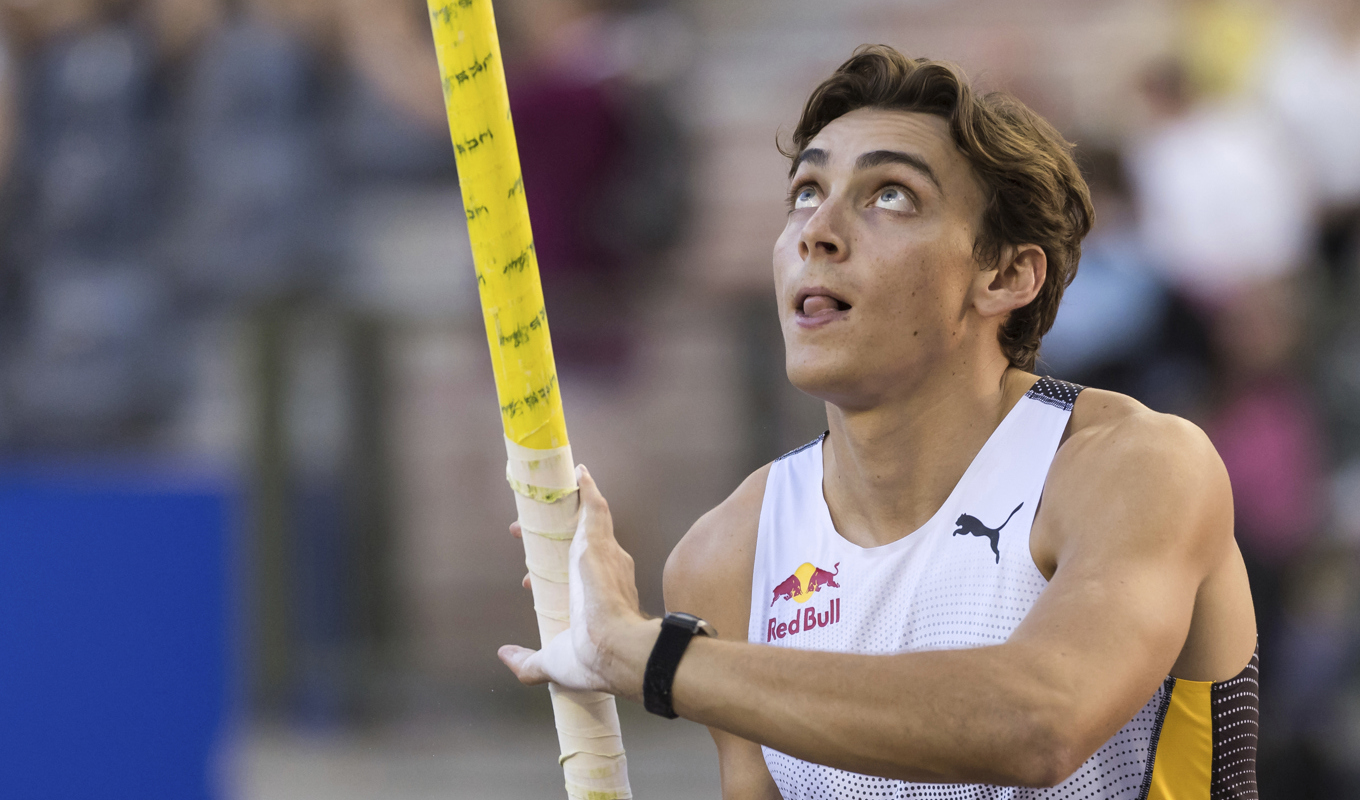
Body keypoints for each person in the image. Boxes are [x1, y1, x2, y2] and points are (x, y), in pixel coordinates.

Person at [498, 46, 1259, 799]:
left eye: (889, 195)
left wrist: (652, 658)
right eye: (804, 191)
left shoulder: (1132, 466)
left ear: (1004, 275)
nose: (816, 233)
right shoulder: (728, 554)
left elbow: (1040, 723)